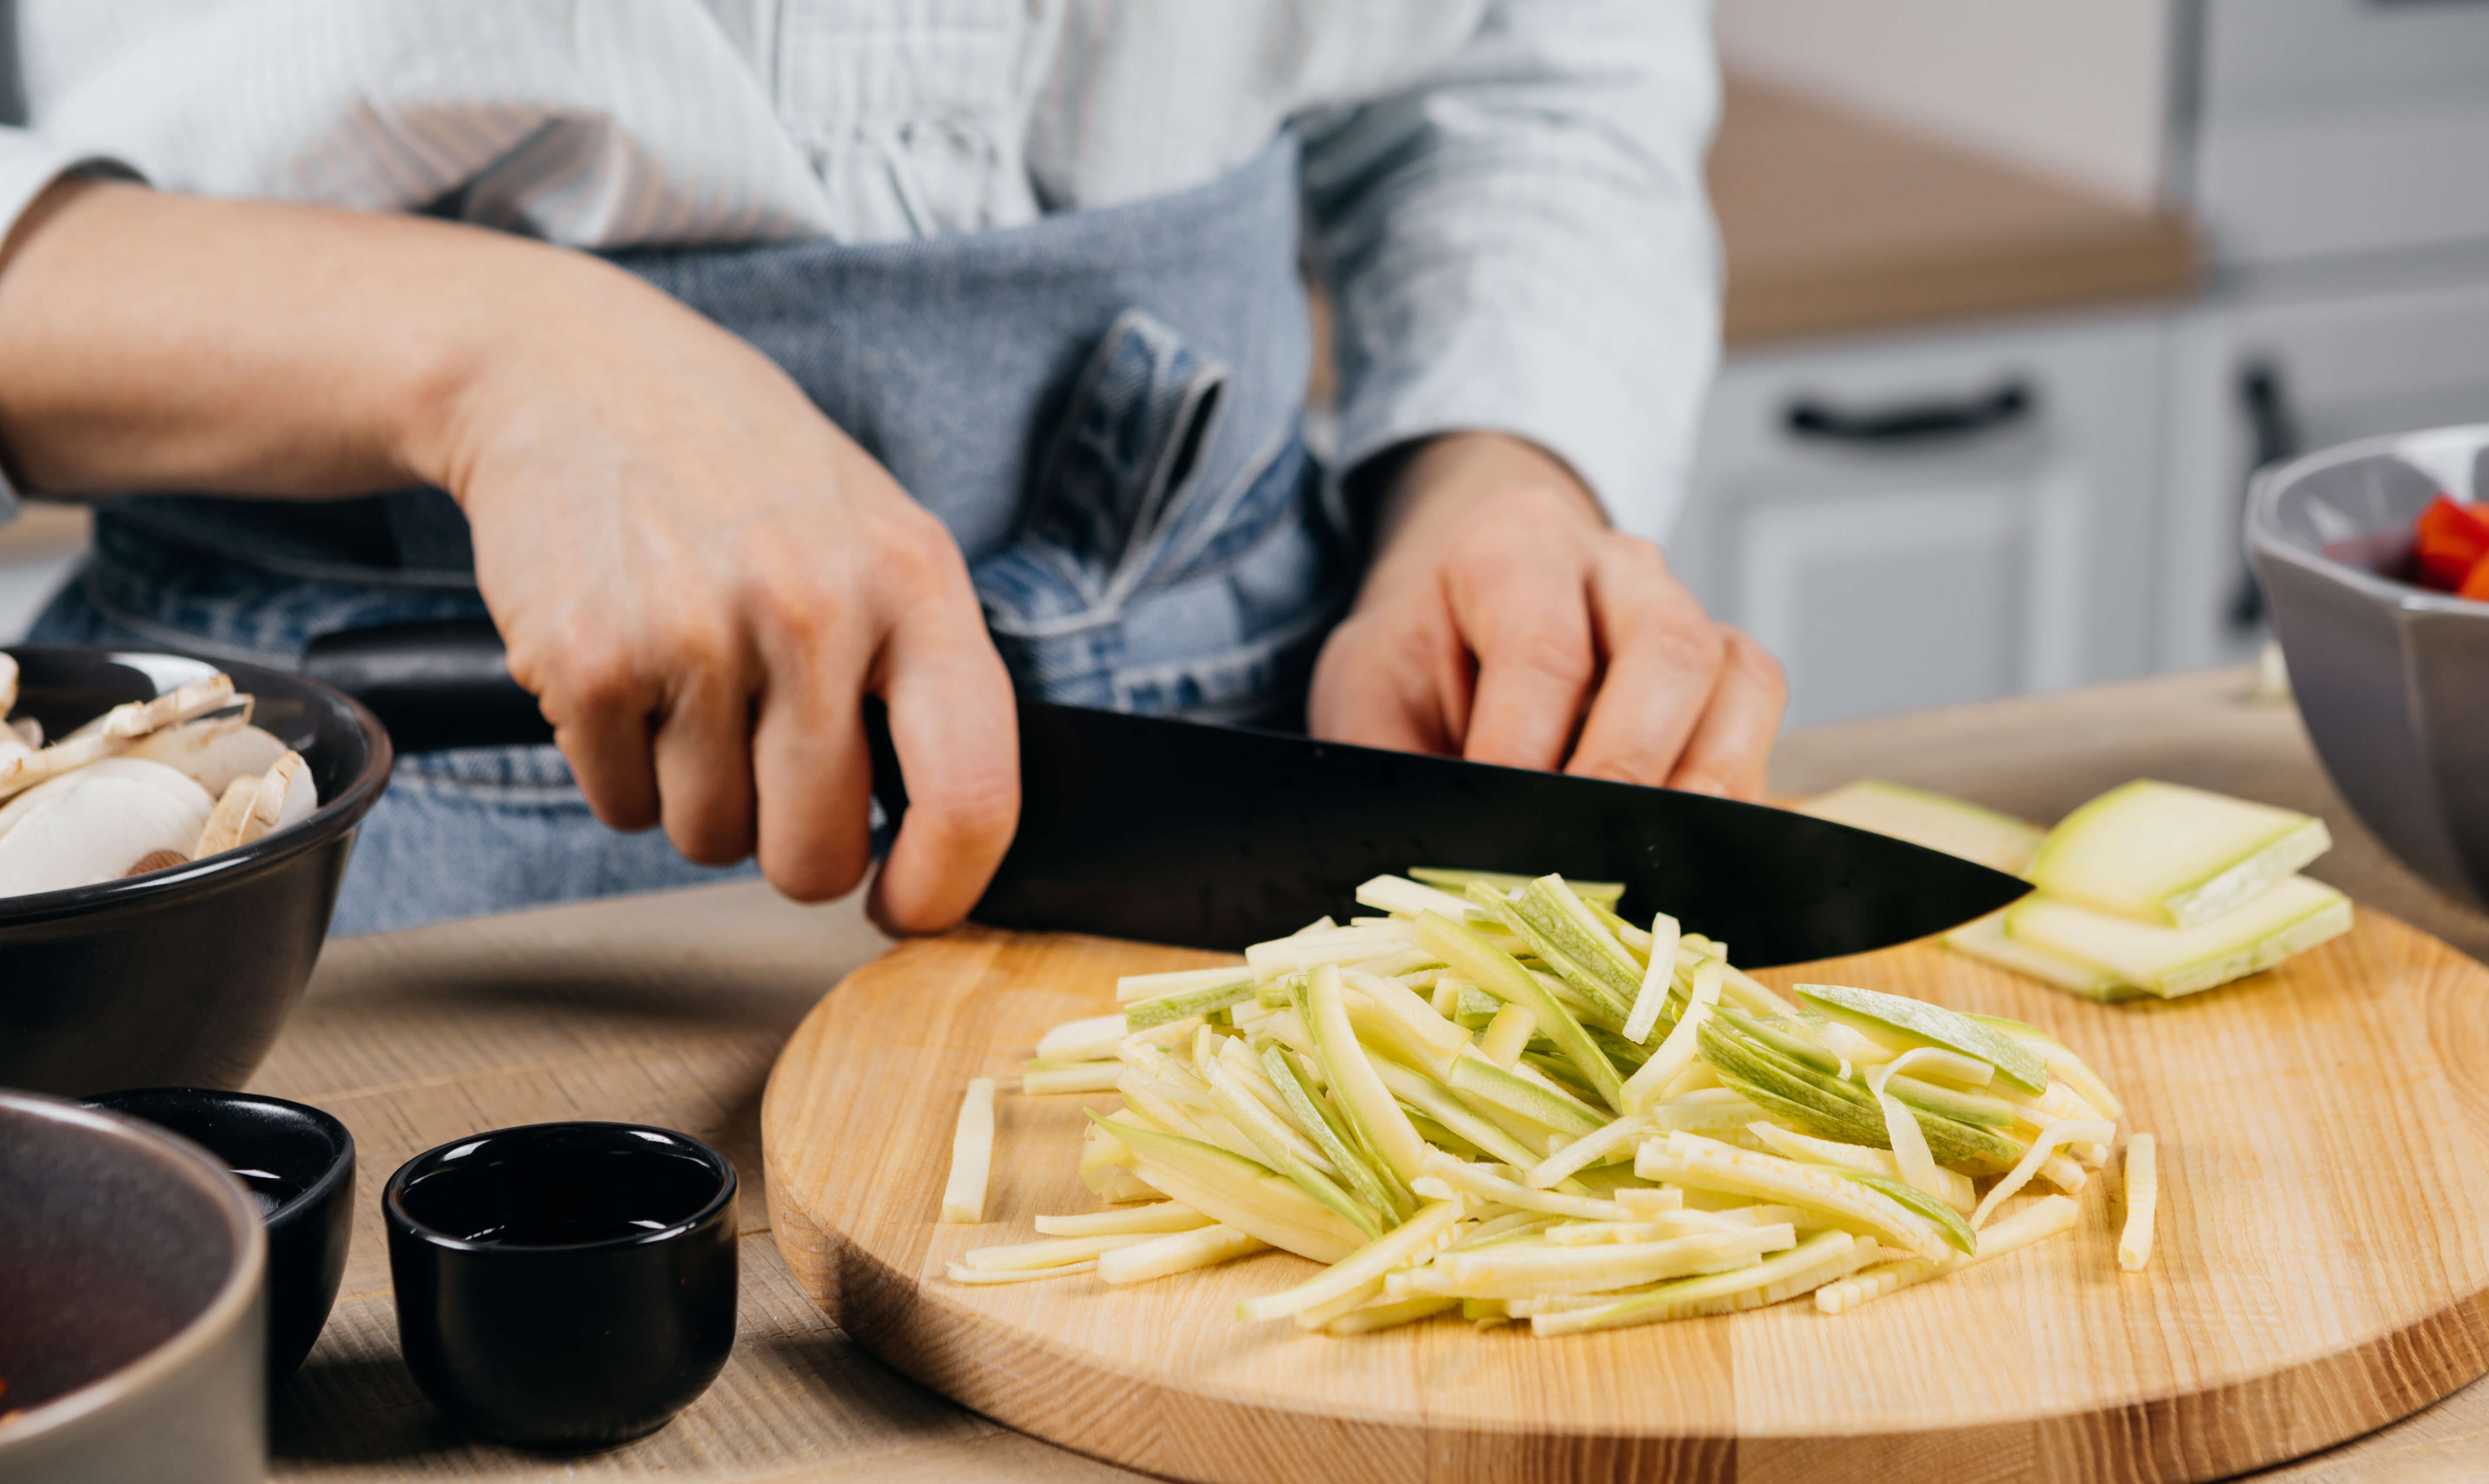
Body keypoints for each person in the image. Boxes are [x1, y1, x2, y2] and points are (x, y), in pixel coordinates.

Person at [0, 0, 1783, 936]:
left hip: (1263, 745)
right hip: (321, 821)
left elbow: (1530, 60)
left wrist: (1493, 474)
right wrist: (500, 360)